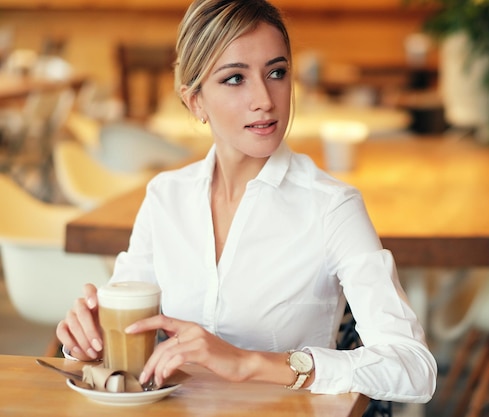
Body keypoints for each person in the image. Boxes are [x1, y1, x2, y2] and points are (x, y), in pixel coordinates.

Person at [56, 0, 437, 403]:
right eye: (235, 78)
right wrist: (92, 337)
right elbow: (127, 336)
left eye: (276, 73)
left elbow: (414, 369)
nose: (265, 99)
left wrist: (249, 363)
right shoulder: (165, 197)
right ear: (195, 101)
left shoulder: (332, 207)